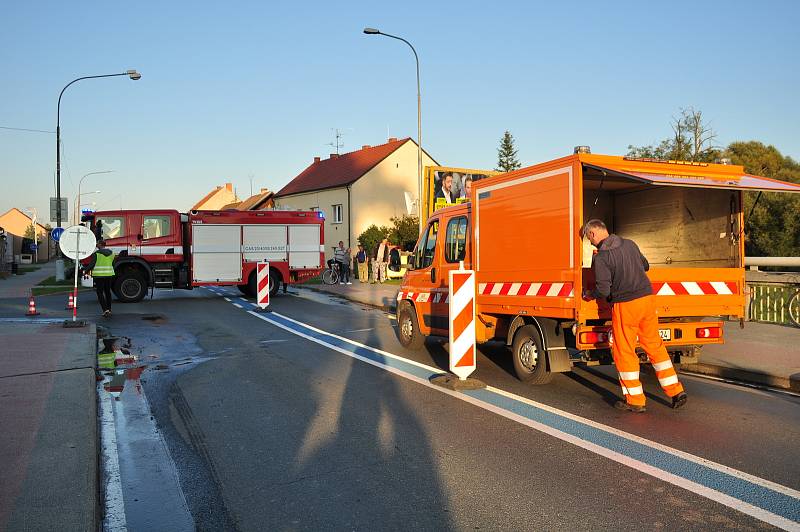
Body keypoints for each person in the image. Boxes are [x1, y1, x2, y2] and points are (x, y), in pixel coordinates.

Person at [581, 219, 687, 413]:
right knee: (655, 345)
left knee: (625, 351)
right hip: (647, 300)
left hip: (626, 305)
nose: (590, 243)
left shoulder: (602, 257)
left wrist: (589, 295)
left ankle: (635, 400)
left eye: (588, 238)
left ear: (593, 234)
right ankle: (676, 391)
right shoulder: (629, 243)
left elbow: (603, 290)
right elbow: (645, 266)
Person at [90, 239, 116, 317]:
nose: (96, 244)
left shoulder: (96, 254)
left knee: (100, 293)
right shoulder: (112, 253)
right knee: (108, 292)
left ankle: (105, 310)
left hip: (99, 275)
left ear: (101, 244)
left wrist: (85, 271)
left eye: (97, 243)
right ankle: (109, 309)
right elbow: (113, 264)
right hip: (109, 274)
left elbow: (92, 265)